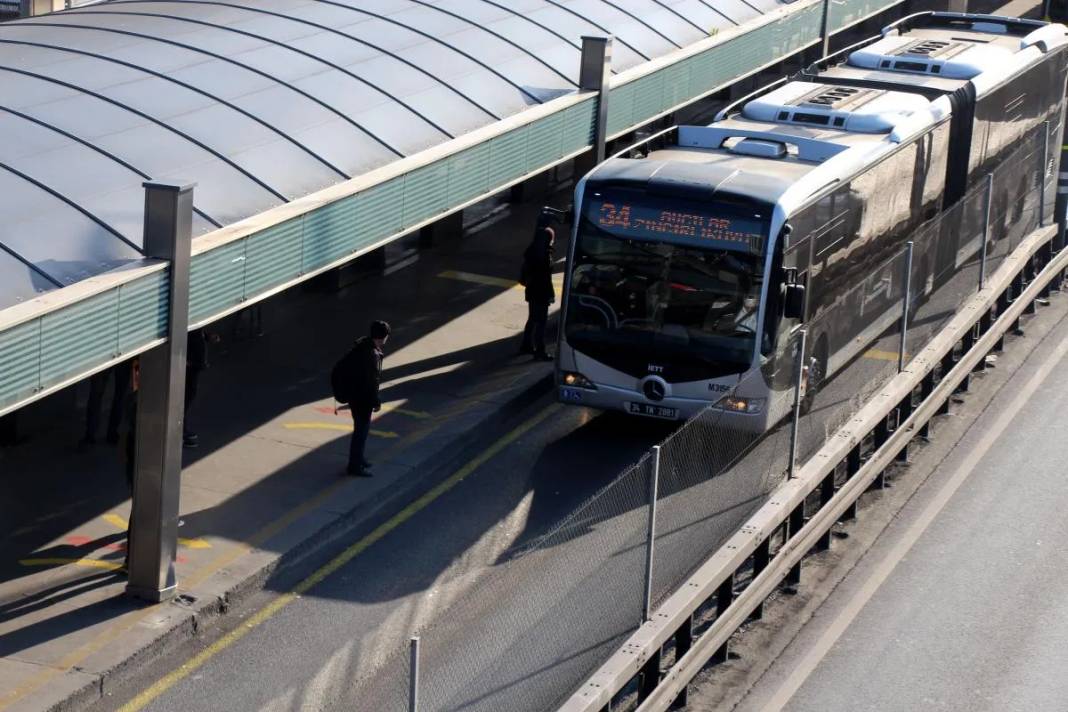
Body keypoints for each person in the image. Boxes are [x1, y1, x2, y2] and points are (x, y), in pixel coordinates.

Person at [340, 320, 390, 477]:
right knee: (361, 432)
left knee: (360, 430)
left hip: (355, 396)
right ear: (383, 337)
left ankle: (359, 459)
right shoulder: (372, 355)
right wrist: (376, 401)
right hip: (362, 399)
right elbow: (371, 382)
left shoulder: (362, 346)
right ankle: (354, 466)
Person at [519, 225, 556, 361]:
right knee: (541, 322)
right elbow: (547, 279)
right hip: (542, 292)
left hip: (531, 290)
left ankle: (526, 345)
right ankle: (539, 351)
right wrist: (551, 294)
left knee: (532, 318)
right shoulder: (545, 256)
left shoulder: (531, 252)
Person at [82, 361, 132, 446]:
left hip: (107, 353)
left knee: (97, 394)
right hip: (122, 354)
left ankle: (90, 435)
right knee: (119, 394)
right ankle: (111, 433)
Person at [183, 329, 207, 449]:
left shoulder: (196, 328)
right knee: (187, 396)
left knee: (190, 395)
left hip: (194, 366)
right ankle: (181, 432)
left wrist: (207, 336)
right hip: (191, 367)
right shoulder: (191, 331)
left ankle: (182, 429)